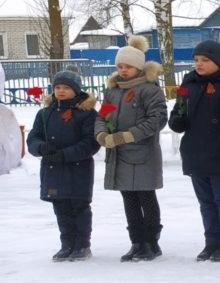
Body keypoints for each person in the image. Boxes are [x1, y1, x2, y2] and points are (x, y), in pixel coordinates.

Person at [168, 39, 220, 261]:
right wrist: (176, 120)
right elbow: (179, 108)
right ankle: (211, 241)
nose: (199, 64)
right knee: (205, 201)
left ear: (218, 62)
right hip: (195, 151)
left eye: (205, 60)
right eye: (196, 60)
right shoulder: (189, 82)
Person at [94, 35, 167, 261]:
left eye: (128, 67)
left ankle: (151, 243)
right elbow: (102, 115)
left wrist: (127, 136)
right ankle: (136, 241)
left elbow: (157, 119)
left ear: (138, 67)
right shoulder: (114, 91)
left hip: (142, 154)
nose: (123, 70)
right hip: (120, 155)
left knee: (146, 197)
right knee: (129, 199)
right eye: (120, 66)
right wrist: (102, 133)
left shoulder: (150, 90)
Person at [27, 69, 100, 260]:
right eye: (57, 87)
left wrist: (65, 155)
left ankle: (82, 245)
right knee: (61, 208)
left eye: (66, 87)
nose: (61, 91)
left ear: (76, 90)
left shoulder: (86, 114)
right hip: (53, 169)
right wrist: (41, 148)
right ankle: (67, 244)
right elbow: (33, 137)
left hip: (78, 169)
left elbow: (90, 143)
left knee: (79, 207)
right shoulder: (45, 113)